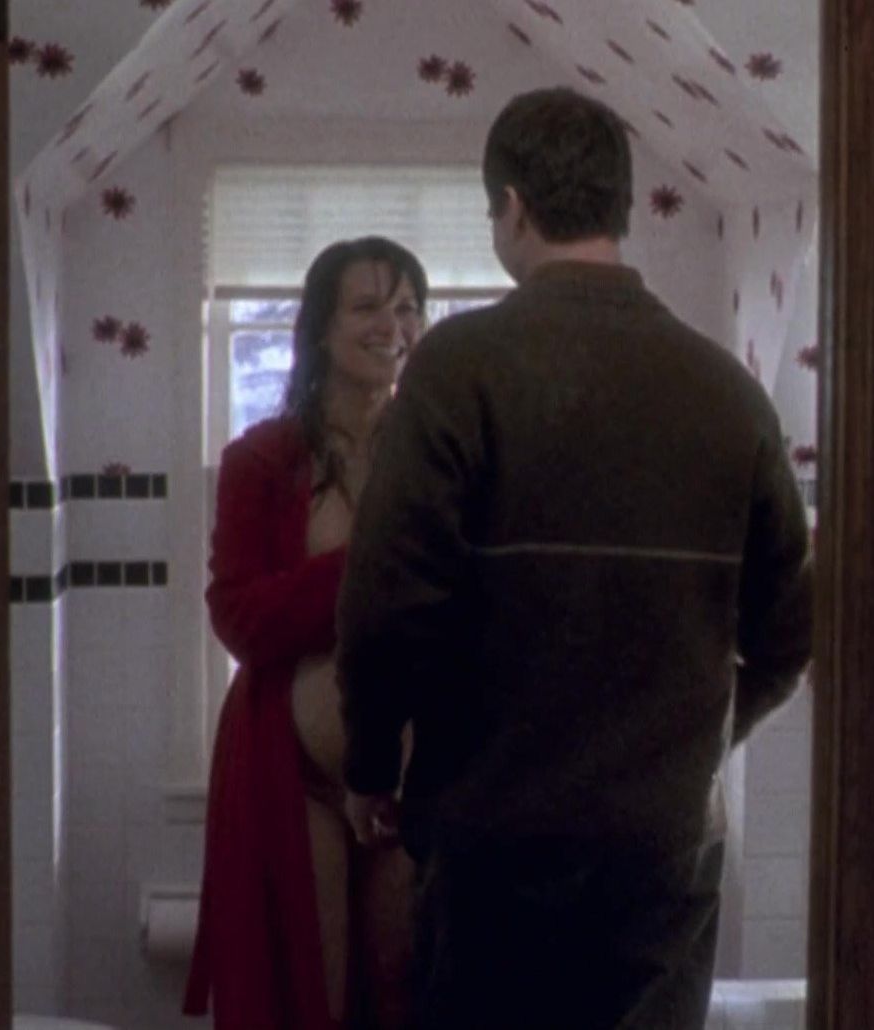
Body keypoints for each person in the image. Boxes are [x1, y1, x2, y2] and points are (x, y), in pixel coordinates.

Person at [333, 88, 813, 1030]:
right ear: (620, 206)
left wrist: (370, 766)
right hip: (663, 847)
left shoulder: (460, 368)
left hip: (492, 837)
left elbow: (387, 604)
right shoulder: (729, 391)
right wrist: (704, 735)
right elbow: (790, 631)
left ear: (513, 207)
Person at [183, 237, 428, 1030]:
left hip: (414, 777)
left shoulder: (436, 454)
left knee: (402, 988)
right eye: (367, 306)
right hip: (296, 776)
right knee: (309, 993)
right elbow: (239, 618)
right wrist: (370, 570)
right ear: (320, 327)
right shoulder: (263, 459)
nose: (392, 325)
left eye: (407, 307)